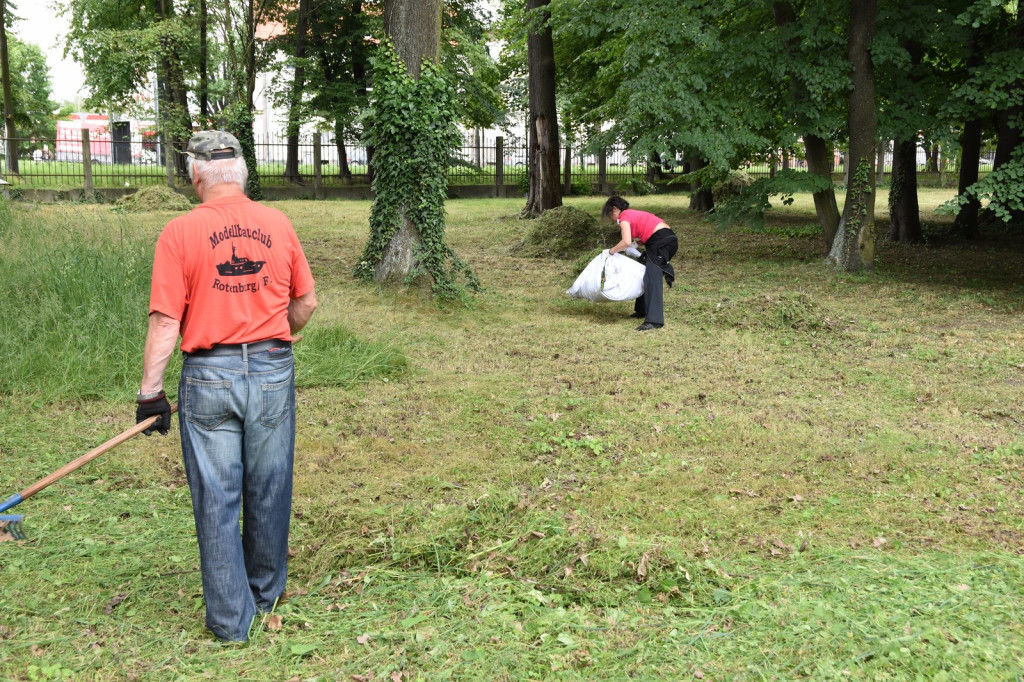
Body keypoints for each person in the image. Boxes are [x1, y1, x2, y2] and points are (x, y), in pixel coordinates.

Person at [135, 130, 318, 642]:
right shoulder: (278, 224)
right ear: (240, 172)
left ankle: (231, 623)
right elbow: (306, 304)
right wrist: (271, 336)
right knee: (270, 485)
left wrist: (151, 392)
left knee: (216, 497)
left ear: (196, 175)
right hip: (272, 370)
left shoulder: (179, 233)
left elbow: (165, 321)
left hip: (209, 375)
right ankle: (264, 596)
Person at [602, 196, 678, 331]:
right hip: (661, 239)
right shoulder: (631, 214)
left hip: (661, 242)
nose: (612, 220)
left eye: (610, 215)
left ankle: (654, 321)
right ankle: (641, 310)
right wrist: (635, 244)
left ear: (615, 209)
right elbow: (648, 232)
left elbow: (625, 241)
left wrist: (611, 252)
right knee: (643, 271)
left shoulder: (624, 217)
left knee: (652, 277)